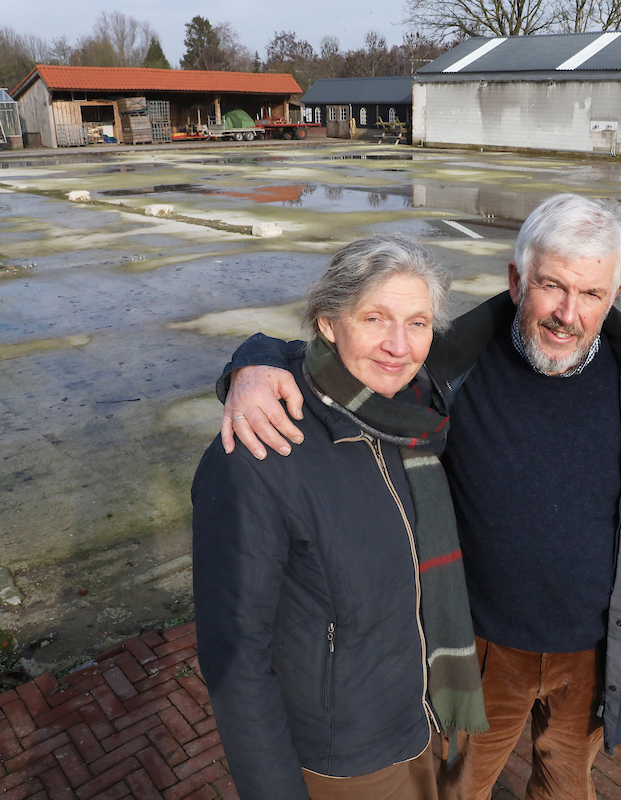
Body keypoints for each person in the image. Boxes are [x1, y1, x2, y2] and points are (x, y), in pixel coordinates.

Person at [215, 194, 621, 800]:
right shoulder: (451, 368)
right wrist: (255, 364)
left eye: (592, 295)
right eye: (551, 286)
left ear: (615, 293)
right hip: (482, 649)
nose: (567, 314)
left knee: (566, 786)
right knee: (461, 790)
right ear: (516, 279)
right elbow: (349, 364)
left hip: (599, 649)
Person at [192, 235, 488, 800]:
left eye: (418, 323)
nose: (398, 345)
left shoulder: (416, 417)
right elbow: (236, 658)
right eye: (374, 317)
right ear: (328, 323)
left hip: (427, 718)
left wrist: (254, 353)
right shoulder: (264, 447)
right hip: (350, 755)